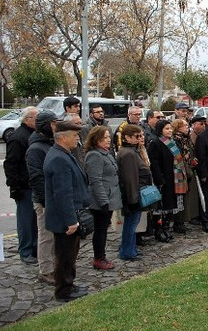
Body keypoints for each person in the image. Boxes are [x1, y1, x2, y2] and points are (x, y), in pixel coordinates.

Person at [44, 121, 88, 302]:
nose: (77, 138)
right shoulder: (58, 158)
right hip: (65, 219)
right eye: (74, 135)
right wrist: (71, 221)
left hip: (70, 215)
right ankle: (63, 291)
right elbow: (63, 193)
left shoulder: (63, 154)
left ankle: (69, 284)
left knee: (70, 254)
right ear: (62, 137)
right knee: (64, 256)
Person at [26, 110, 58, 284]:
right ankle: (45, 270)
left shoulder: (48, 143)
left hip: (53, 198)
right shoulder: (36, 149)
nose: (56, 127)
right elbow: (37, 178)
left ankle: (53, 265)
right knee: (46, 236)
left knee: (54, 236)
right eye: (53, 123)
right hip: (45, 200)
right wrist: (47, 201)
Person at [84, 126, 122, 269]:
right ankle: (99, 257)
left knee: (103, 229)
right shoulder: (94, 155)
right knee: (100, 230)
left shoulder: (105, 153)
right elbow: (95, 181)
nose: (108, 140)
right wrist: (103, 201)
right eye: (105, 137)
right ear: (97, 139)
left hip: (110, 196)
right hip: (102, 199)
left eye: (108, 137)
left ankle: (101, 256)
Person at [4, 106, 38, 264]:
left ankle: (34, 248)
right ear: (27, 120)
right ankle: (25, 251)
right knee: (25, 220)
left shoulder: (33, 134)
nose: (38, 121)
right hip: (24, 186)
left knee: (34, 220)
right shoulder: (18, 137)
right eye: (35, 118)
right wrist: (14, 186)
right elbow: (11, 164)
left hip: (32, 184)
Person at [116, 124, 152, 260]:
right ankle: (127, 251)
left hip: (135, 193)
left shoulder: (132, 152)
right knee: (130, 224)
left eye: (141, 135)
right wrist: (133, 199)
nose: (140, 138)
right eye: (137, 136)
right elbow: (130, 178)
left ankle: (130, 249)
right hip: (133, 195)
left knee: (132, 224)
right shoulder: (128, 154)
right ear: (127, 137)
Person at [148, 120, 188, 241]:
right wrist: (160, 179)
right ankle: (159, 230)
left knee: (170, 206)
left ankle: (166, 228)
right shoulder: (156, 143)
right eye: (166, 129)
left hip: (174, 179)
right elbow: (154, 163)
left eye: (170, 128)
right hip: (163, 180)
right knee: (161, 207)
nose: (170, 131)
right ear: (160, 130)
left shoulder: (174, 142)